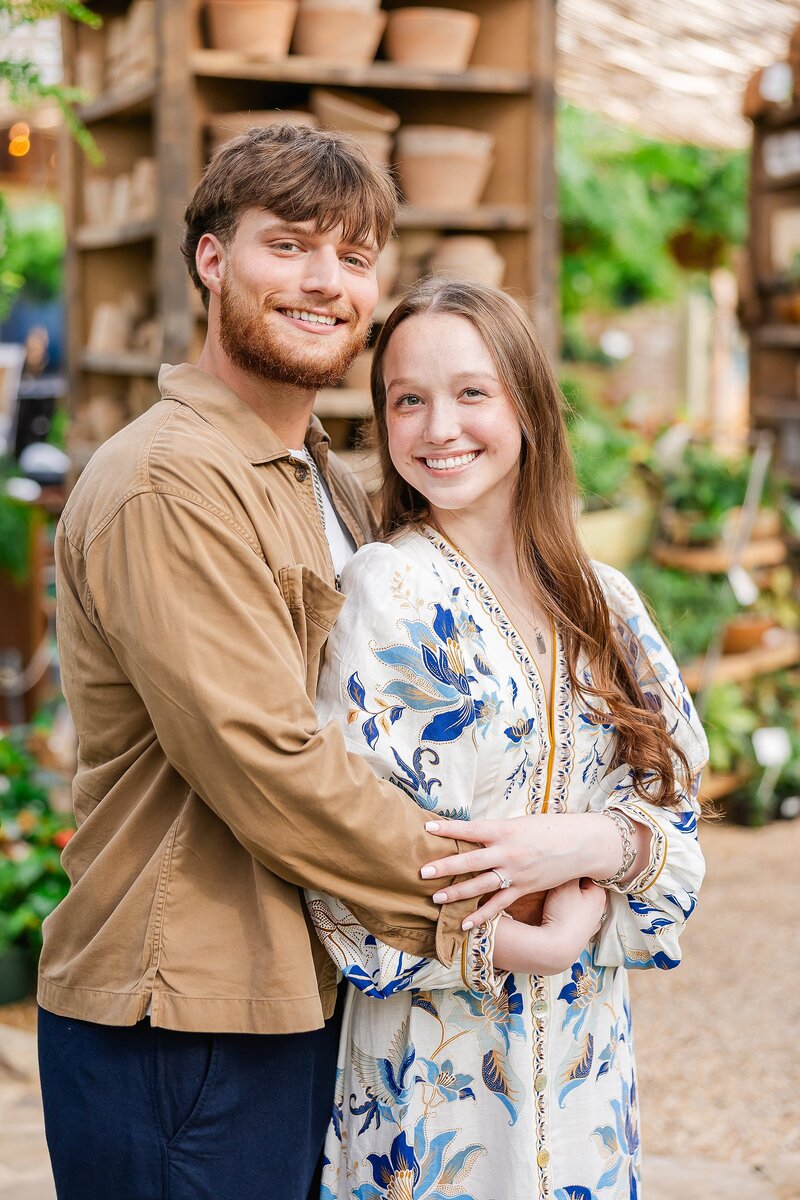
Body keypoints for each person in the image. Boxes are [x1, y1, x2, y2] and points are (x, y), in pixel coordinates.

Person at [36, 126, 482, 1200]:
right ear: (211, 260)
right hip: (179, 1014)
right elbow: (262, 756)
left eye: (356, 255)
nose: (327, 281)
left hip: (289, 991)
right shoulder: (168, 481)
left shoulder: (313, 475)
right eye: (289, 245)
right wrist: (482, 899)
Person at [306, 278, 708, 1199]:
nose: (438, 425)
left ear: (527, 403)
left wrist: (591, 845)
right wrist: (533, 942)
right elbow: (350, 854)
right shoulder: (384, 592)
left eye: (471, 392)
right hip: (435, 1080)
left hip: (587, 1076)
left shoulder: (603, 601)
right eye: (408, 399)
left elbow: (677, 829)